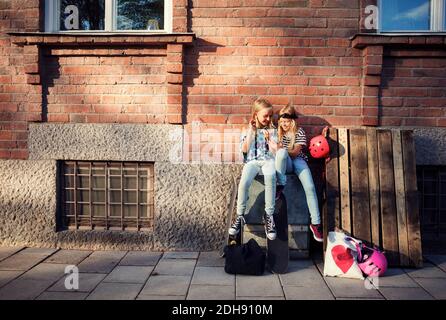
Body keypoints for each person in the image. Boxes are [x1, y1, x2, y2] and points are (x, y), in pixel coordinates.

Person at [228, 98, 279, 240]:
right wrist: (252, 131)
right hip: (252, 162)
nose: (268, 118)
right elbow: (244, 150)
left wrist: (270, 140)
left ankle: (269, 216)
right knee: (244, 183)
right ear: (255, 115)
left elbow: (276, 154)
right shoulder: (247, 130)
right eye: (265, 116)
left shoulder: (273, 130)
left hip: (268, 161)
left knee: (271, 177)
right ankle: (240, 217)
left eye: (270, 116)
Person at [274, 104, 323, 242]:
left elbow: (295, 153)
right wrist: (278, 150)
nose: (284, 124)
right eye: (282, 122)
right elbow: (279, 155)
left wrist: (280, 149)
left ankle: (316, 223)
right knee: (282, 153)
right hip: (286, 163)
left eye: (286, 122)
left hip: (298, 161)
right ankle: (279, 185)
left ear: (293, 121)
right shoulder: (278, 133)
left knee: (310, 187)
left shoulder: (299, 132)